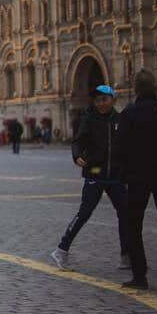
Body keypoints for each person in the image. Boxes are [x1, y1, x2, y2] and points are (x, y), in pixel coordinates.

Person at [50, 85, 129, 271]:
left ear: (113, 100)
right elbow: (78, 141)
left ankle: (126, 255)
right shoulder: (89, 119)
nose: (101, 103)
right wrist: (77, 155)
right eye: (98, 100)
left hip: (115, 175)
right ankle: (61, 250)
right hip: (95, 173)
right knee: (84, 213)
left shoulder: (120, 119)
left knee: (125, 214)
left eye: (104, 99)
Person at [115, 70, 157, 290]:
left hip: (137, 178)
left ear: (136, 90)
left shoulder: (129, 113)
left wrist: (123, 172)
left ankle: (139, 276)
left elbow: (120, 147)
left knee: (134, 226)